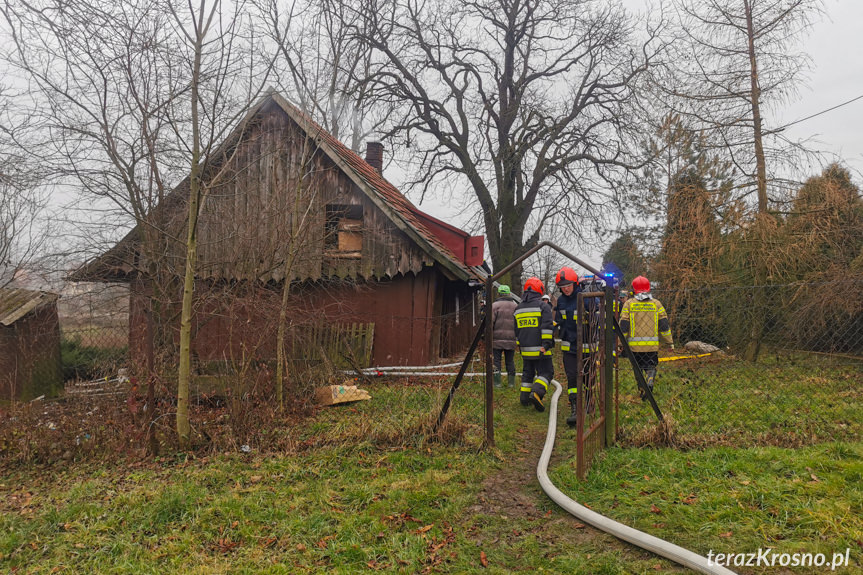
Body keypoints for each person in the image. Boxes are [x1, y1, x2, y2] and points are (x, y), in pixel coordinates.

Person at [619, 275, 674, 396]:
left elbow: (623, 326)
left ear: (633, 290)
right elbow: (664, 325)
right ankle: (650, 377)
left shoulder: (629, 304)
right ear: (648, 289)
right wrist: (669, 342)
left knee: (637, 369)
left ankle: (642, 390)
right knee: (651, 365)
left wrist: (620, 343)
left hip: (635, 347)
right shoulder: (656, 304)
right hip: (652, 346)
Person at [514, 277, 554, 412]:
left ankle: (524, 398)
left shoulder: (518, 308)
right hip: (541, 349)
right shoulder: (543, 306)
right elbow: (547, 327)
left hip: (525, 350)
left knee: (527, 373)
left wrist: (520, 345)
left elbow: (517, 330)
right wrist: (547, 344)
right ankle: (536, 393)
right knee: (546, 372)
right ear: (539, 290)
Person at [552, 266, 582, 426]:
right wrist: (551, 330)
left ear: (575, 283)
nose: (565, 289)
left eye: (568, 286)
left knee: (587, 377)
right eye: (562, 287)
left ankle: (589, 403)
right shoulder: (561, 300)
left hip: (586, 345)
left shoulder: (586, 297)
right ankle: (575, 408)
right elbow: (558, 320)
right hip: (568, 345)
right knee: (571, 376)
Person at [491, 284, 518, 389]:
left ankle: (497, 383)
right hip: (511, 339)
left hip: (496, 339)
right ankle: (511, 384)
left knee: (496, 361)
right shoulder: (515, 306)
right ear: (509, 293)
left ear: (499, 293)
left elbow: (490, 323)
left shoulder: (494, 306)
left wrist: (487, 336)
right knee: (510, 361)